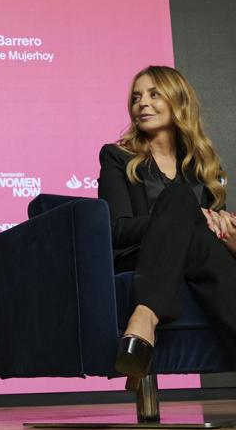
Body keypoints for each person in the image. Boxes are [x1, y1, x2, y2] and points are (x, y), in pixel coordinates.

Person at [98, 65, 236, 385]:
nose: (142, 103)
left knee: (200, 240)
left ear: (178, 102)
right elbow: (116, 229)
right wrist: (188, 215)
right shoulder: (117, 157)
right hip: (139, 255)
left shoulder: (204, 166)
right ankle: (144, 314)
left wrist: (227, 234)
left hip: (198, 256)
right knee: (180, 201)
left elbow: (212, 234)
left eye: (153, 94)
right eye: (136, 97)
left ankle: (143, 325)